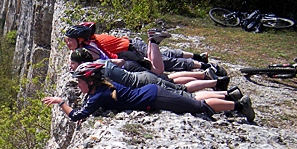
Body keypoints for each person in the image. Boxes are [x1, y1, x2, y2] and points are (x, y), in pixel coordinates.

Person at [43, 62, 255, 122]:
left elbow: (77, 115)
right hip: (152, 91)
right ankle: (230, 95)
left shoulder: (99, 94)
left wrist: (61, 102)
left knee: (199, 107)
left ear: (90, 81)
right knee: (189, 98)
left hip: (154, 97)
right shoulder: (101, 86)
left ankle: (239, 105)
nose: (78, 86)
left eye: (80, 82)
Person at [69, 48, 234, 95]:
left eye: (73, 64)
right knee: (171, 80)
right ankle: (212, 79)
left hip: (142, 80)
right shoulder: (99, 63)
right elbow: (119, 62)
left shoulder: (96, 72)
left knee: (181, 89)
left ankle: (215, 81)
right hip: (136, 74)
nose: (71, 67)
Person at [63, 22, 208, 74]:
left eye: (69, 40)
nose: (67, 43)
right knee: (162, 55)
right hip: (129, 45)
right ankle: (198, 57)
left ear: (80, 39)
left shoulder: (90, 47)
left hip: (128, 52)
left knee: (162, 64)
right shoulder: (93, 40)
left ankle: (202, 64)